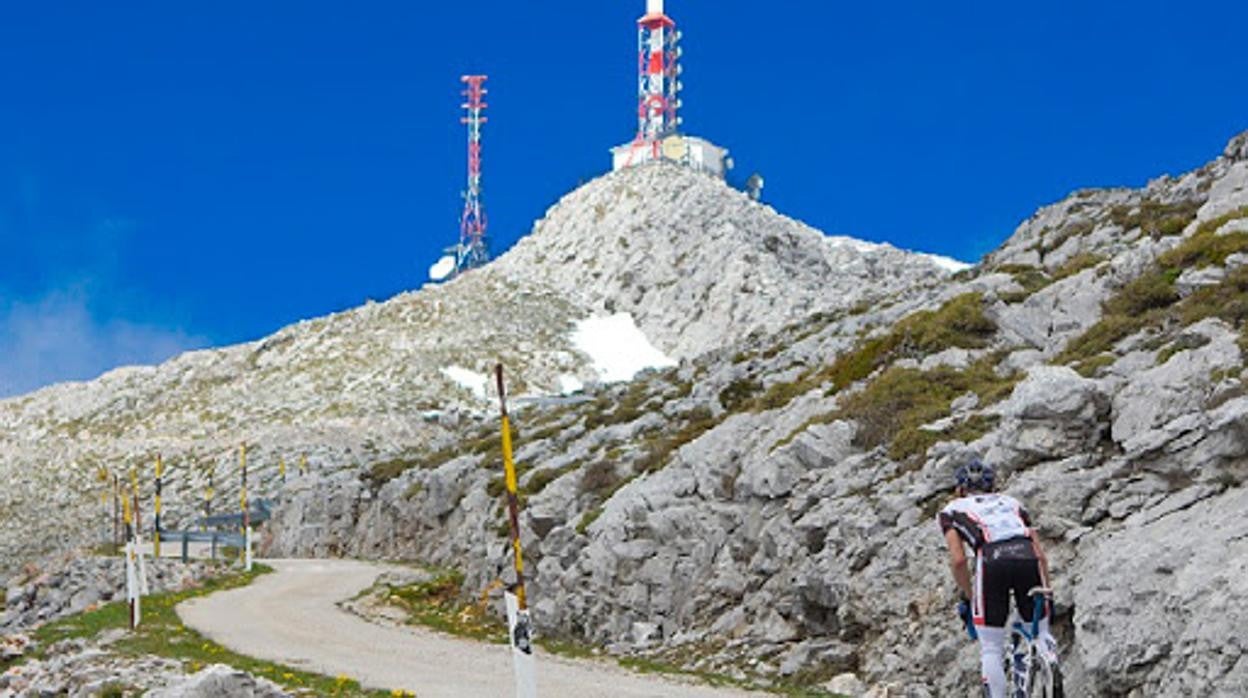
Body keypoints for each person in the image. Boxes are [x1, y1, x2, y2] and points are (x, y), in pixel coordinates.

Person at [937, 458, 1055, 697]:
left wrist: (970, 596)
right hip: (1027, 557)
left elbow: (958, 560)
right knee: (1040, 631)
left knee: (991, 647)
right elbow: (1040, 554)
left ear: (959, 489)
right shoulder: (1013, 503)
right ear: (993, 486)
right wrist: (1048, 591)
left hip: (991, 560)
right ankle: (1051, 664)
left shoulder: (952, 510)